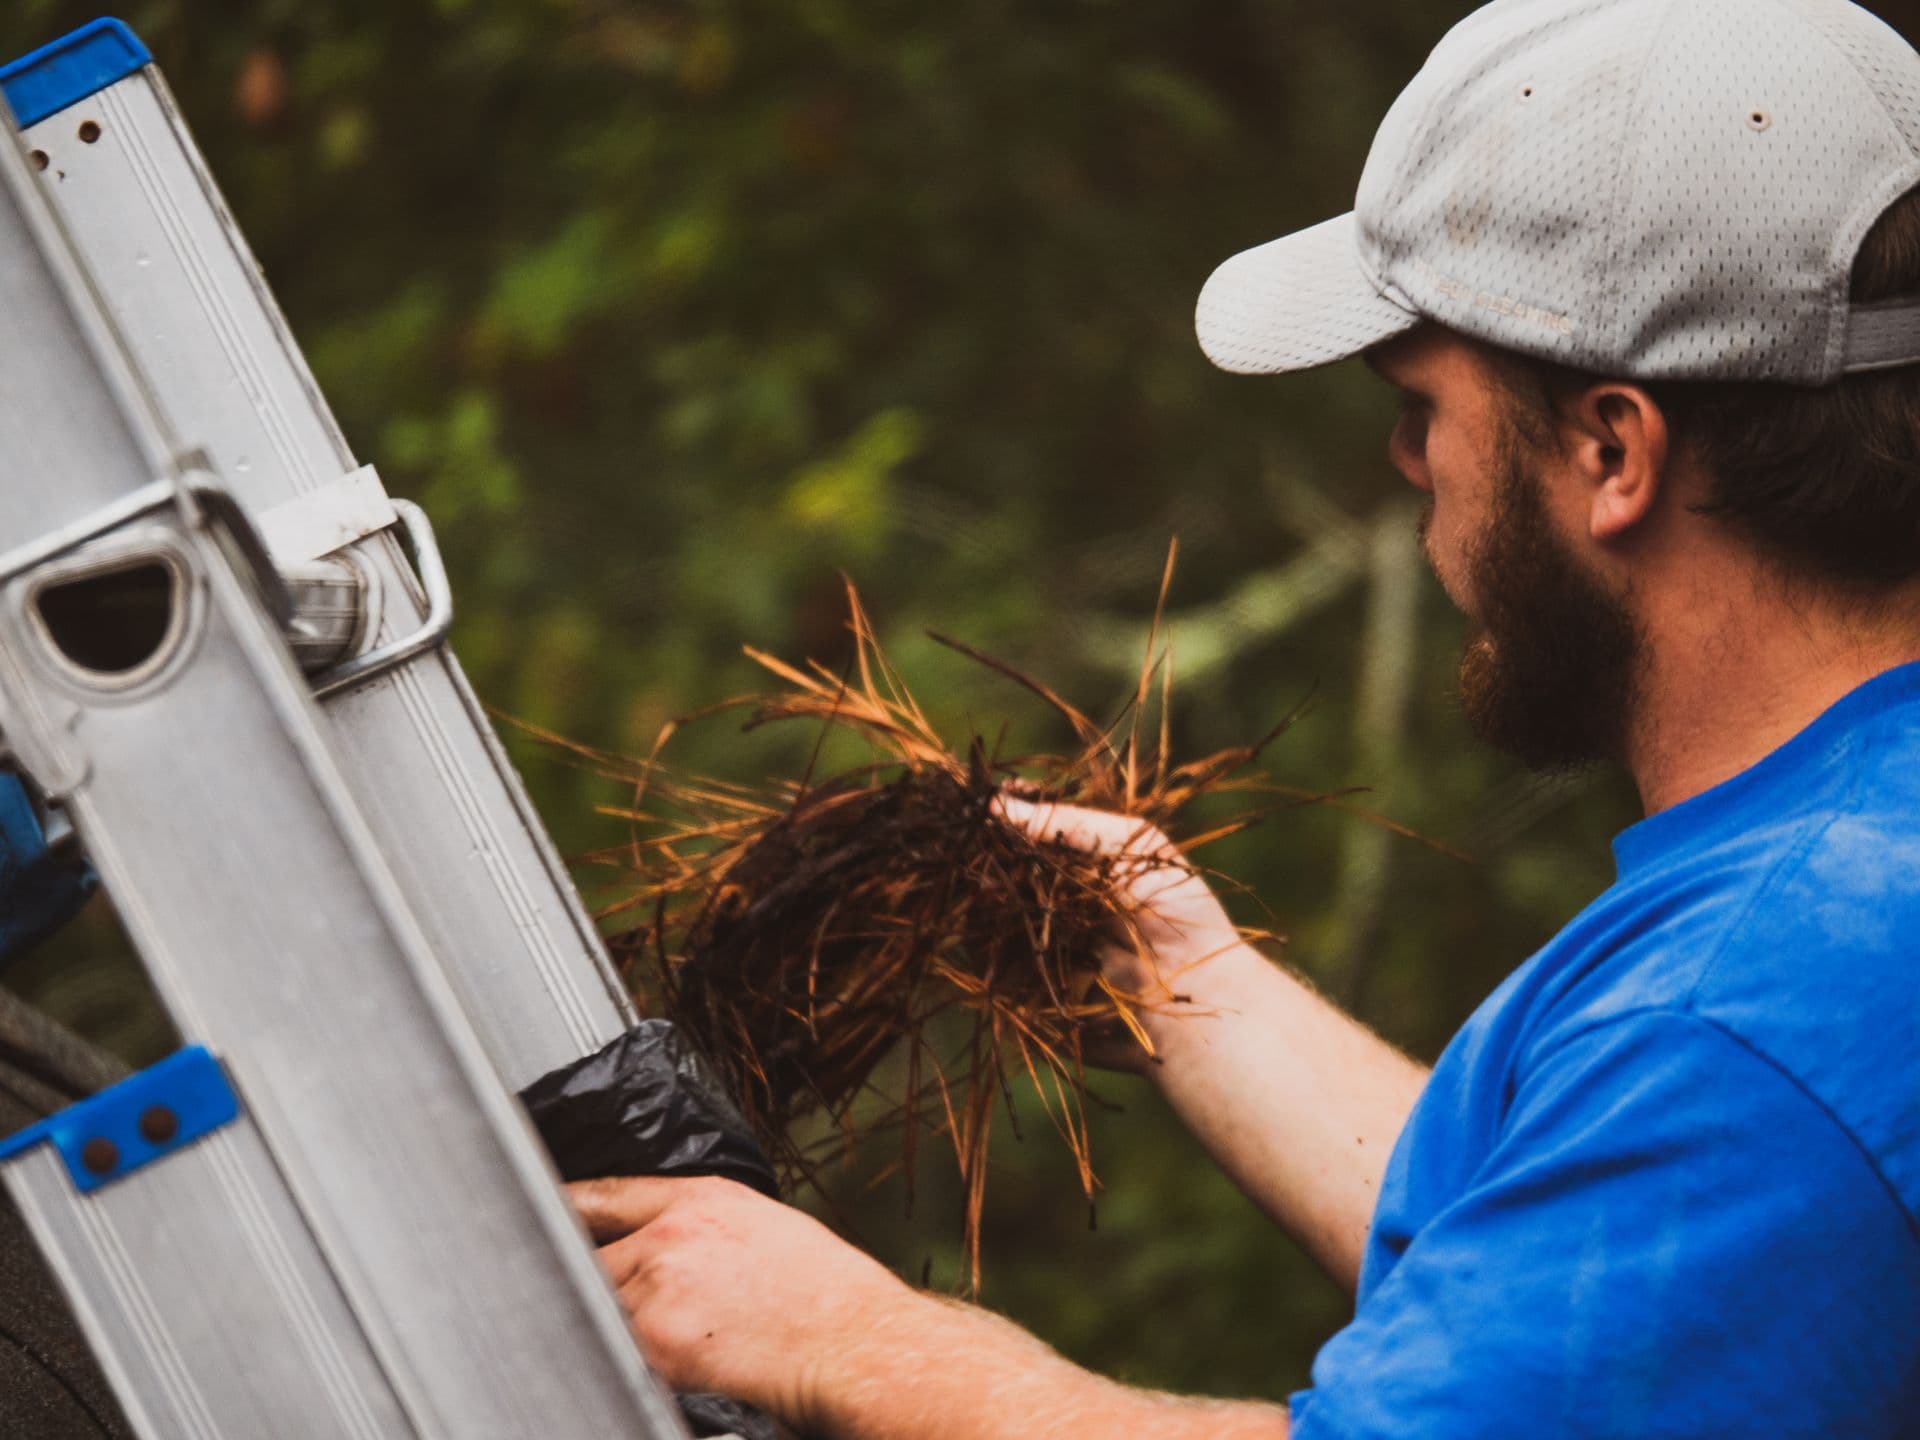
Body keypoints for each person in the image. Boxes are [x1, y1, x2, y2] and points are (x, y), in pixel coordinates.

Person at [570, 0, 1920, 1434]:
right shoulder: (1833, 911)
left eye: (1421, 403)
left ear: (1611, 448)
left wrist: (847, 1335)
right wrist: (1172, 967)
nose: (1410, 459)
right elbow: (1596, 1292)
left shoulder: (1756, 1006)